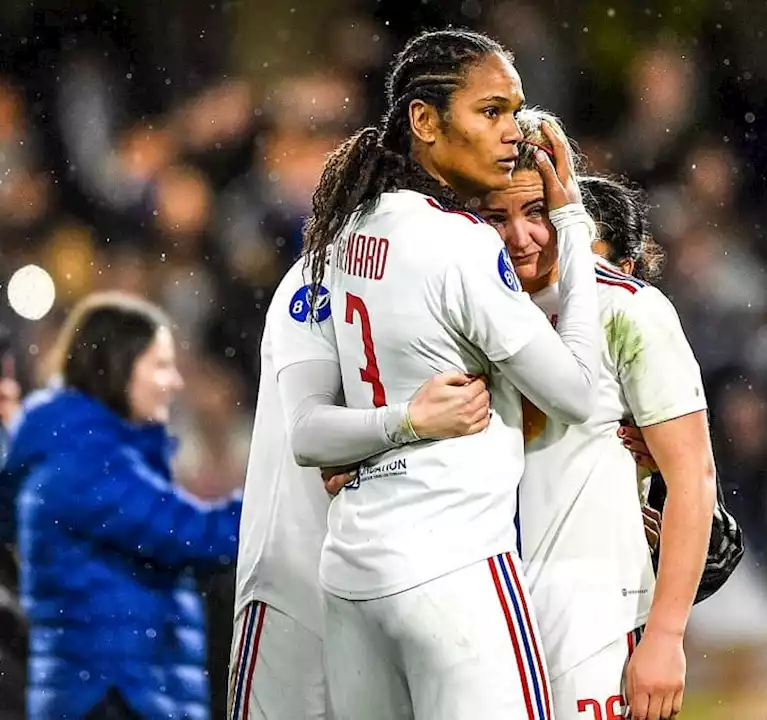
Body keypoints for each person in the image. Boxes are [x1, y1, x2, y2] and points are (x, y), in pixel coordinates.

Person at [296, 29, 602, 720]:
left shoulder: (344, 234)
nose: (512, 133)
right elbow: (576, 391)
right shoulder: (460, 242)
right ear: (425, 122)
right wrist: (572, 222)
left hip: (353, 577)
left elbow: (311, 427)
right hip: (453, 565)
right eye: (491, 111)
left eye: (515, 113)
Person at [476, 110, 716, 720]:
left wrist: (665, 638)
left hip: (596, 622)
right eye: (497, 217)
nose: (520, 236)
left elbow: (693, 478)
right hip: (483, 620)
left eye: (535, 212)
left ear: (565, 203)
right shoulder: (462, 313)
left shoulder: (629, 310)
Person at [229, 251, 494, 718]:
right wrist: (402, 424)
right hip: (296, 582)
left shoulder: (449, 272)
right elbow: (309, 433)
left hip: (397, 587)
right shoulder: (317, 277)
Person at [1, 292, 241, 720]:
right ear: (119, 367)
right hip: (110, 697)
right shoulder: (82, 462)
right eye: (161, 365)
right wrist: (277, 494)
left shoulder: (91, 451)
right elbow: (195, 536)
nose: (175, 382)